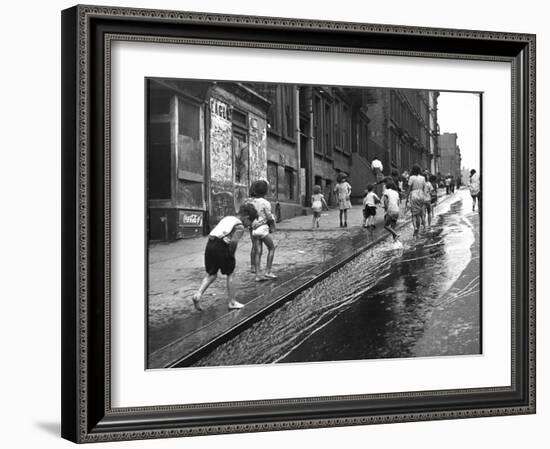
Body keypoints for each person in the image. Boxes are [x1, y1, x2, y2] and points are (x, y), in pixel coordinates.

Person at [191, 203, 258, 311]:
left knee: (211, 274)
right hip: (221, 246)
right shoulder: (239, 226)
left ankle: (198, 294)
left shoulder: (228, 218)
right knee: (231, 273)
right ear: (246, 217)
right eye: (249, 222)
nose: (248, 225)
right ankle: (232, 302)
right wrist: (231, 255)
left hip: (210, 243)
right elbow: (234, 242)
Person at [250, 180, 277, 281]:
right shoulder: (266, 203)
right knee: (271, 248)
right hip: (263, 229)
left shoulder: (251, 202)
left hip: (254, 230)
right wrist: (273, 226)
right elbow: (269, 216)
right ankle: (268, 271)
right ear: (266, 191)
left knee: (258, 251)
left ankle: (258, 275)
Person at [407, 164, 428, 235]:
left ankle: (415, 227)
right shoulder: (423, 178)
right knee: (420, 213)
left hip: (414, 195)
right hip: (421, 195)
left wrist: (407, 199)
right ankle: (421, 228)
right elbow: (424, 188)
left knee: (414, 214)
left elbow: (409, 189)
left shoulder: (411, 178)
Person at [382, 180, 402, 245]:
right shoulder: (396, 192)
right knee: (393, 227)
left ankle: (396, 234)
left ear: (386, 186)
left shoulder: (386, 191)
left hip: (391, 210)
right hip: (397, 210)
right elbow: (398, 203)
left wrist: (386, 210)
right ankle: (396, 243)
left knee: (386, 225)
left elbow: (385, 201)